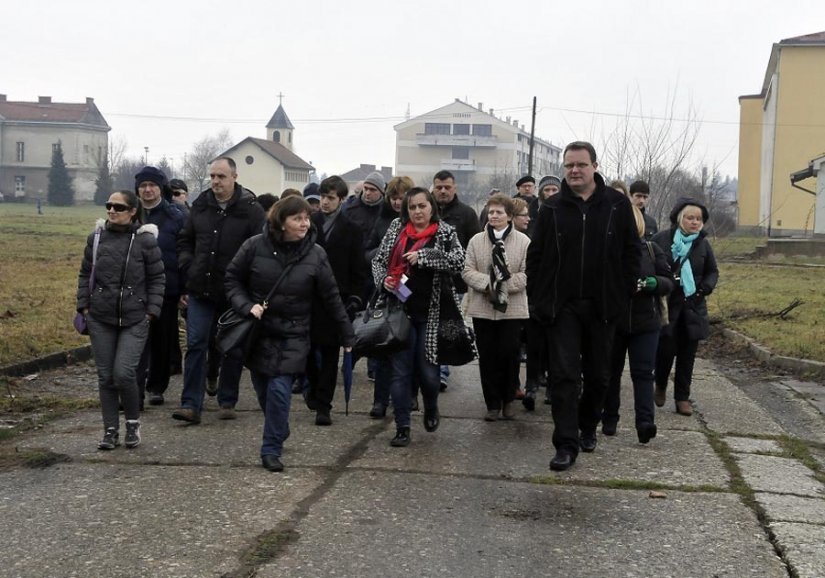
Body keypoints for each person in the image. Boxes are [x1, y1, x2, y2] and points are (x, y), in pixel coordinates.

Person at [527, 141, 641, 471]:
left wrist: (624, 291)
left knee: (599, 376)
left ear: (594, 166)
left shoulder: (617, 205)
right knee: (563, 376)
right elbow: (536, 257)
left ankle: (588, 425)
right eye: (569, 166)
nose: (574, 171)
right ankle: (566, 443)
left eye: (580, 164)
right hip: (562, 307)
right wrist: (538, 297)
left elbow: (632, 252)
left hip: (603, 306)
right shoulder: (551, 208)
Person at [225, 196, 354, 471]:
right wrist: (247, 306)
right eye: (297, 218)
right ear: (281, 222)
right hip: (258, 332)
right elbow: (232, 279)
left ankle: (271, 449)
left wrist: (347, 335)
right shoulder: (254, 246)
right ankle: (279, 426)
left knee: (279, 390)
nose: (305, 223)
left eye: (307, 217)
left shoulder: (316, 254)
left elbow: (331, 297)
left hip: (295, 334)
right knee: (263, 390)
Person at [173, 157, 266, 424]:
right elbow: (185, 240)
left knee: (232, 348)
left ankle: (227, 400)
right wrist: (188, 266)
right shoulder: (200, 206)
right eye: (212, 176)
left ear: (234, 177)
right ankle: (191, 403)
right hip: (201, 288)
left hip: (235, 293)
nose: (215, 181)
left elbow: (260, 249)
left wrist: (251, 287)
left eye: (221, 177)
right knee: (196, 344)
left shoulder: (251, 210)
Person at [372, 187, 466, 447]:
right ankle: (402, 426)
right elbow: (378, 261)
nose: (417, 212)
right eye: (412, 207)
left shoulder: (445, 232)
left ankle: (431, 406)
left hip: (431, 313)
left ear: (431, 207)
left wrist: (426, 257)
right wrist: (384, 281)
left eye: (422, 206)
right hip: (399, 312)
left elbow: (459, 262)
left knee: (428, 373)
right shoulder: (396, 228)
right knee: (400, 373)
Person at [76, 190, 165, 450]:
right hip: (100, 317)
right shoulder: (96, 239)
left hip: (135, 317)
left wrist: (151, 311)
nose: (112, 211)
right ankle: (110, 430)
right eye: (109, 206)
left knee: (124, 373)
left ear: (133, 211)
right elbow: (84, 274)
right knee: (105, 377)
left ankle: (133, 423)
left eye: (119, 207)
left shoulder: (145, 241)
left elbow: (157, 278)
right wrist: (84, 306)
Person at [601, 206, 674, 443]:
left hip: (646, 322)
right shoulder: (606, 251)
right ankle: (609, 418)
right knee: (610, 373)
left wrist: (654, 283)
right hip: (614, 322)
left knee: (643, 374)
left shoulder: (652, 250)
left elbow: (668, 281)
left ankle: (645, 423)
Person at [462, 194, 530, 421]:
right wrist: (489, 286)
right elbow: (467, 270)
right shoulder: (476, 241)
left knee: (509, 355)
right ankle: (492, 403)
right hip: (483, 308)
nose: (494, 216)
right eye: (491, 212)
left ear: (509, 216)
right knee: (488, 356)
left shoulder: (523, 242)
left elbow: (526, 274)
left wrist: (502, 286)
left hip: (512, 309)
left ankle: (508, 399)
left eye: (499, 212)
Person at [306, 176, 367, 425]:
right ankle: (312, 386)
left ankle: (324, 405)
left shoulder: (352, 229)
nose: (324, 202)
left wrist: (355, 298)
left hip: (337, 298)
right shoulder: (310, 224)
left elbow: (358, 268)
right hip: (309, 295)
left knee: (330, 352)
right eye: (322, 197)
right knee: (307, 349)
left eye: (330, 197)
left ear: (341, 199)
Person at [652, 197, 719, 416]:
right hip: (668, 305)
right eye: (690, 217)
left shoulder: (702, 244)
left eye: (698, 219)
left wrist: (703, 289)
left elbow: (712, 271)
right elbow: (650, 264)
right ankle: (660, 384)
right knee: (665, 350)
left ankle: (682, 397)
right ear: (680, 218)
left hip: (693, 305)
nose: (694, 222)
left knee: (688, 355)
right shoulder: (663, 239)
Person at [134, 166, 186, 407]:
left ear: (160, 188)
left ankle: (157, 386)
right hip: (135, 286)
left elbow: (184, 252)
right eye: (143, 186)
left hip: (167, 285)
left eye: (152, 185)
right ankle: (135, 388)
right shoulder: (131, 214)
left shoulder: (175, 215)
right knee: (136, 339)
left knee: (162, 338)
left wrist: (185, 287)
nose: (147, 190)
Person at [364, 175, 414, 418]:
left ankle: (405, 398)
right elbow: (369, 252)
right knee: (384, 349)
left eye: (402, 197)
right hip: (386, 292)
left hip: (411, 293)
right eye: (393, 197)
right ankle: (380, 401)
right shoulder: (385, 222)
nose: (397, 202)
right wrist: (385, 259)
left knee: (406, 351)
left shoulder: (421, 223)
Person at [432, 170, 480, 391]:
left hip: (455, 284)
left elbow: (474, 248)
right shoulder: (426, 210)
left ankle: (441, 371)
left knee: (448, 328)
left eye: (447, 187)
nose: (443, 191)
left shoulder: (467, 214)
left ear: (455, 188)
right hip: (428, 282)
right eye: (439, 186)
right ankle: (432, 369)